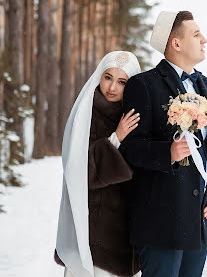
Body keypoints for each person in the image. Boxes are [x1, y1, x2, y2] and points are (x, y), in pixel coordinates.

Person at [119, 11, 207, 277]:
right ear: (176, 43)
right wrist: (167, 152)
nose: (204, 39)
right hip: (161, 223)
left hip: (200, 220)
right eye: (196, 34)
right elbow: (131, 148)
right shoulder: (143, 85)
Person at [54, 51, 142, 277]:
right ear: (98, 77)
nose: (112, 87)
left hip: (124, 229)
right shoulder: (86, 113)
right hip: (92, 225)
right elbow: (79, 170)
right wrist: (116, 138)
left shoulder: (138, 116)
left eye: (122, 81)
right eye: (108, 77)